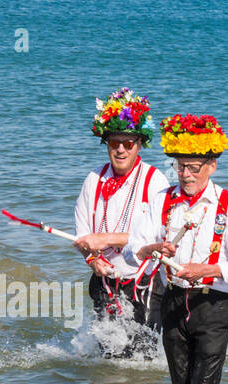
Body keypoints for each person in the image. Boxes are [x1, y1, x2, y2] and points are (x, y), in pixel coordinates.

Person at [127, 114, 228, 384]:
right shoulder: (162, 200)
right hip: (172, 302)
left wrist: (206, 271)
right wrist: (153, 248)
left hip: (215, 305)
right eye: (179, 166)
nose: (184, 174)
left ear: (212, 166)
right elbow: (133, 250)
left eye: (192, 167)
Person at [73, 88, 170, 357]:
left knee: (143, 359)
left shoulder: (156, 181)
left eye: (128, 144)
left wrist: (106, 239)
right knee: (109, 359)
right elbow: (82, 235)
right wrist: (92, 260)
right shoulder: (93, 179)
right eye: (114, 143)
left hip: (145, 283)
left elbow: (157, 239)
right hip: (104, 281)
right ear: (106, 144)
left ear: (139, 144)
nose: (120, 149)